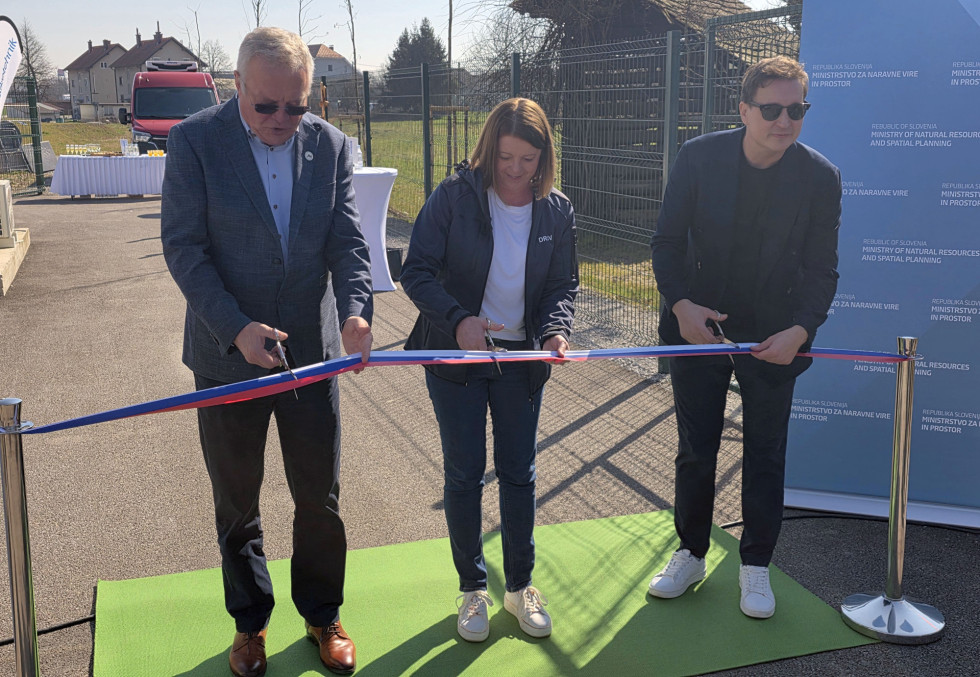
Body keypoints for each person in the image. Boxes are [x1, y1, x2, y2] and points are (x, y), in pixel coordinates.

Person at [161, 26, 372, 677]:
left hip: (313, 354)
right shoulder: (195, 141)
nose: (282, 119)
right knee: (238, 502)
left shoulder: (332, 147)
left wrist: (359, 310)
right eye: (266, 106)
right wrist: (236, 327)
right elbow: (184, 249)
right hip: (227, 357)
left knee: (321, 498)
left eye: (296, 106)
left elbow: (349, 244)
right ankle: (249, 625)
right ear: (237, 86)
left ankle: (321, 613)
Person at [649, 56, 841, 619]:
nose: (784, 121)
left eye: (797, 109)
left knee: (765, 451)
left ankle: (756, 565)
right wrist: (682, 307)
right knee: (696, 449)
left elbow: (821, 269)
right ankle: (690, 551)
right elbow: (665, 242)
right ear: (744, 109)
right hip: (698, 327)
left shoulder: (820, 177)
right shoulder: (698, 157)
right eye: (772, 109)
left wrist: (801, 330)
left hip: (777, 334)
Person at [400, 98, 578, 643]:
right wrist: (458, 321)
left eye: (528, 158)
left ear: (544, 156)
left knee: (520, 473)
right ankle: (473, 589)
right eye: (505, 158)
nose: (516, 170)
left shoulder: (557, 209)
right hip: (457, 358)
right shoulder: (454, 197)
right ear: (489, 151)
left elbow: (561, 286)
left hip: (521, 362)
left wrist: (554, 330)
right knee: (465, 474)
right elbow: (417, 271)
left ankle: (519, 586)